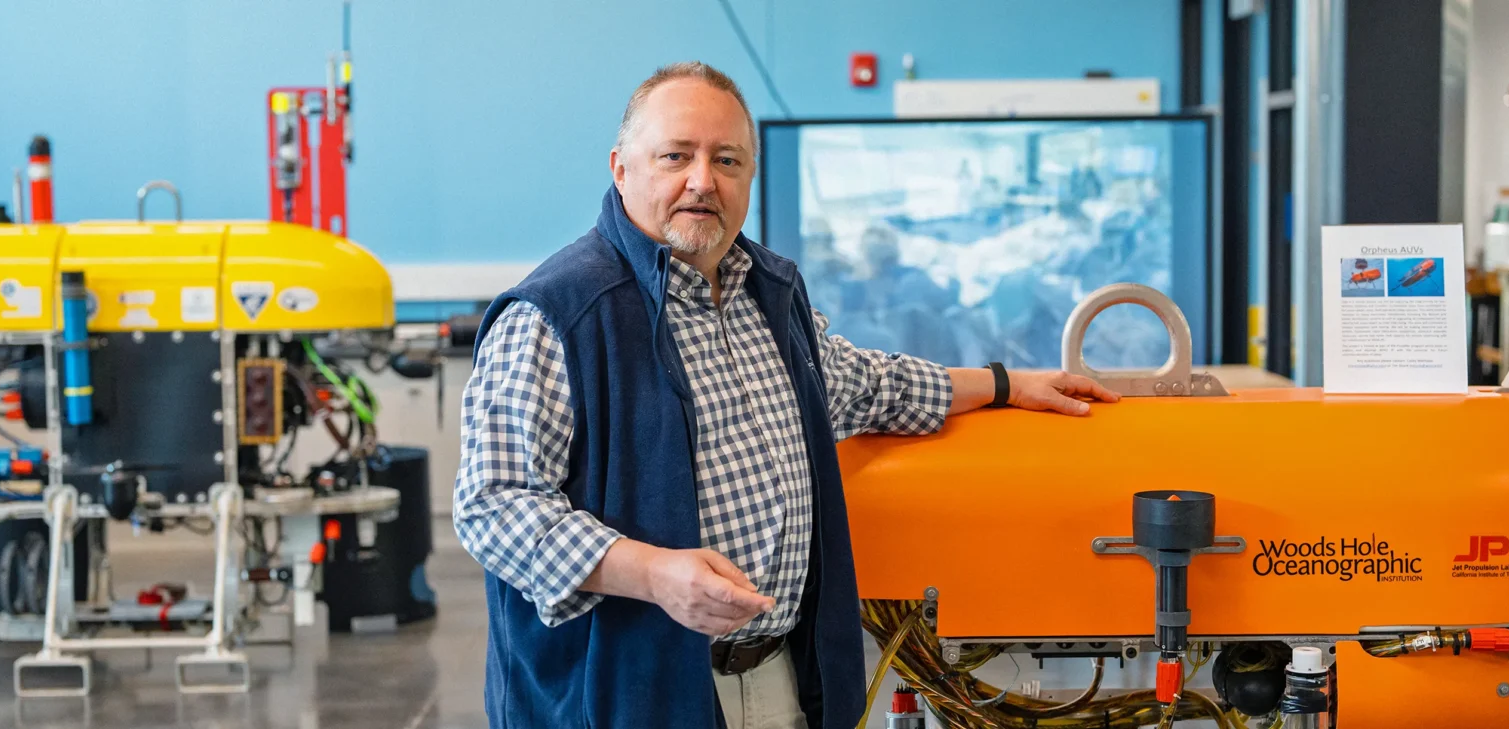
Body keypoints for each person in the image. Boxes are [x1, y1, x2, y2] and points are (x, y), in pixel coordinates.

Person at [453, 61, 1120, 729]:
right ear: (621, 168)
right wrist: (653, 573)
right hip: (625, 688)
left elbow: (865, 385)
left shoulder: (769, 292)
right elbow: (492, 505)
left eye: (727, 160)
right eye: (676, 156)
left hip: (775, 676)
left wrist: (1008, 383)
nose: (702, 181)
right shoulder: (558, 313)